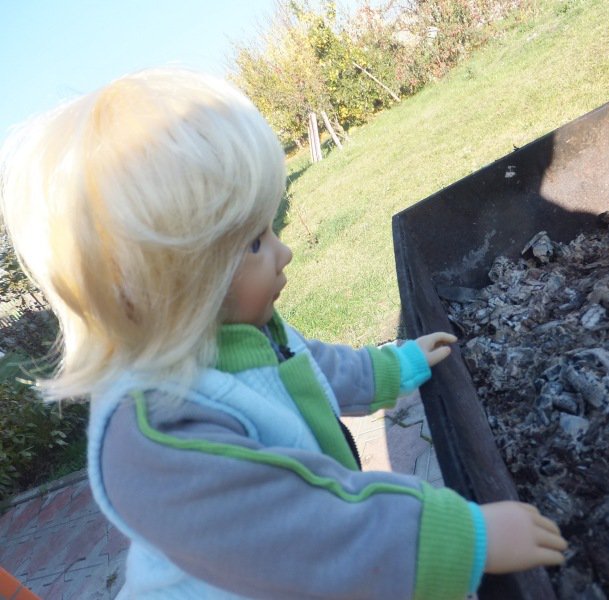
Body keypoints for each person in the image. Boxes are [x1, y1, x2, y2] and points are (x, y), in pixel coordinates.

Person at [0, 68, 567, 599]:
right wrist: (462, 540)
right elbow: (306, 534)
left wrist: (396, 365)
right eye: (254, 243)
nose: (284, 251)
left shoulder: (234, 330)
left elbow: (309, 365)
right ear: (167, 286)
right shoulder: (154, 435)